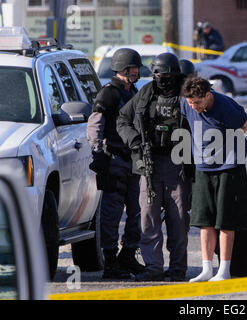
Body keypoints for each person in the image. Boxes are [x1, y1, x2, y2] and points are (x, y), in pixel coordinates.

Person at [116, 52, 192, 282]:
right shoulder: (146, 92)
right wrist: (134, 141)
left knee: (178, 220)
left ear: (175, 74)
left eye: (165, 74)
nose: (161, 78)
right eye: (157, 73)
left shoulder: (185, 93)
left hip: (178, 164)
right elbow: (122, 119)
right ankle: (153, 267)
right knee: (148, 218)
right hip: (148, 164)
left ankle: (178, 268)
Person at [180, 76, 247, 282]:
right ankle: (207, 269)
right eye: (190, 103)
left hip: (228, 167)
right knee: (204, 222)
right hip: (202, 167)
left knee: (225, 222)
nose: (194, 106)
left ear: (207, 95)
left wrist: (228, 142)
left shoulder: (225, 107)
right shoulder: (186, 103)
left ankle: (224, 270)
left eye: (197, 102)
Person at [87, 48, 145, 279]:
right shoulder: (109, 94)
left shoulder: (133, 92)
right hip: (114, 161)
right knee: (111, 213)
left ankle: (128, 255)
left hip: (134, 161)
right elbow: (95, 126)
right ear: (123, 69)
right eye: (134, 68)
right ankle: (110, 261)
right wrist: (98, 154)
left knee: (137, 210)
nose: (137, 72)